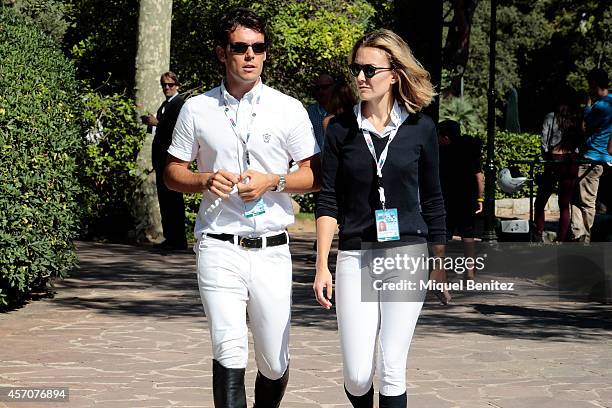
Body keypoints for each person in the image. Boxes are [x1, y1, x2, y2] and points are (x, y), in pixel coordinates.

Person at [164, 8, 320, 407]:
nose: (250, 55)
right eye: (240, 47)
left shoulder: (289, 108)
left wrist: (274, 181)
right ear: (222, 53)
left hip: (272, 248)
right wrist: (203, 179)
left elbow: (314, 176)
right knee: (229, 349)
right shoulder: (196, 108)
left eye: (258, 47)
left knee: (272, 360)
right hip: (218, 244)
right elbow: (171, 172)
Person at [313, 29, 447, 407]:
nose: (360, 77)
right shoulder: (340, 129)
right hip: (355, 255)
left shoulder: (421, 128)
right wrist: (322, 264)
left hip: (407, 252)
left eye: (369, 70)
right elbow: (328, 201)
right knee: (357, 376)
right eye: (356, 68)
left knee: (392, 367)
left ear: (394, 73)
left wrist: (439, 264)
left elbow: (435, 200)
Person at [141, 71, 188, 250]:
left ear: (177, 85)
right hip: (160, 159)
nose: (166, 88)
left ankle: (178, 239)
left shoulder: (179, 104)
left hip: (170, 159)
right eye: (164, 85)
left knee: (173, 199)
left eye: (170, 85)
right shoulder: (165, 104)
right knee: (165, 199)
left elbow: (178, 128)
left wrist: (156, 123)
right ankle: (171, 237)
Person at [534, 87, 582, 242]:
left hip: (553, 160)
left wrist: (546, 156)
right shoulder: (577, 118)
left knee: (540, 201)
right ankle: (561, 239)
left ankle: (538, 234)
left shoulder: (551, 117)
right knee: (564, 204)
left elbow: (543, 142)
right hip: (571, 161)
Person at [438, 119, 484, 278]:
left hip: (447, 198)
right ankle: (470, 270)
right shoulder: (470, 149)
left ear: (446, 137)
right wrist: (480, 199)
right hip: (467, 197)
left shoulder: (441, 152)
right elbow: (479, 177)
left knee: (443, 234)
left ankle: (440, 269)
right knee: (468, 234)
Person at [570, 68, 612, 242]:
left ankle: (583, 237)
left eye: (589, 84)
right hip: (604, 158)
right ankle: (579, 234)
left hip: (592, 157)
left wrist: (587, 104)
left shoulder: (601, 106)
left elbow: (585, 124)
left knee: (585, 201)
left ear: (594, 84)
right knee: (581, 198)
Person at [307, 73, 335, 150]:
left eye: (324, 87)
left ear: (333, 88)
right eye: (317, 88)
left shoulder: (342, 111)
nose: (321, 91)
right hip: (317, 160)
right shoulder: (310, 112)